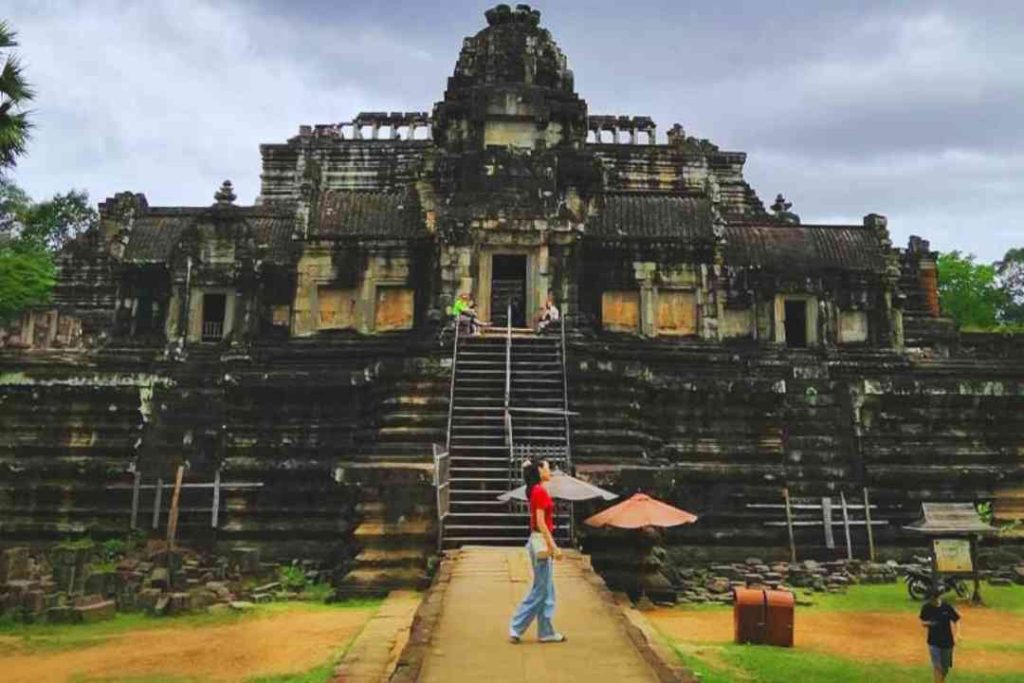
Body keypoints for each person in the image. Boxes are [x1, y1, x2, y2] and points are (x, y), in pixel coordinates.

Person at [509, 459, 566, 644]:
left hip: (538, 541)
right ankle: (516, 626)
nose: (551, 471)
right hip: (540, 541)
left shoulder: (535, 490)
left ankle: (545, 630)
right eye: (548, 467)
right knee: (541, 590)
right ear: (539, 470)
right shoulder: (539, 491)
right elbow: (541, 522)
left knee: (546, 589)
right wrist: (554, 546)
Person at [920, 587, 961, 682]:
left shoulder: (946, 607)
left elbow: (957, 620)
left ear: (936, 597)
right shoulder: (926, 607)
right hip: (933, 642)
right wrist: (929, 624)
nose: (929, 601)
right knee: (937, 667)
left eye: (931, 599)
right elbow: (923, 622)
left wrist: (957, 634)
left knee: (945, 668)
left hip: (947, 642)